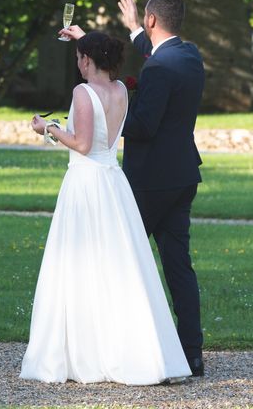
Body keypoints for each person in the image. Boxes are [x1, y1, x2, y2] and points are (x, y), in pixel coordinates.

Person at [19, 31, 191, 385]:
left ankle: (84, 354)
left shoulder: (83, 92)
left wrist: (47, 128)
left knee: (79, 264)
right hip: (114, 183)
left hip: (85, 184)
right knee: (120, 266)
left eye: (80, 57)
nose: (78, 64)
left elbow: (81, 143)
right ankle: (132, 349)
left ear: (87, 59)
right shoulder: (121, 91)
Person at [60, 0, 205, 377]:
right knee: (178, 267)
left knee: (122, 263)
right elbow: (153, 54)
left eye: (143, 19)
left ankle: (125, 351)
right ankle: (191, 353)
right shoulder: (190, 56)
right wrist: (94, 41)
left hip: (149, 182)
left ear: (152, 20)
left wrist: (109, 106)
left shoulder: (158, 69)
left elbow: (141, 126)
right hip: (183, 175)